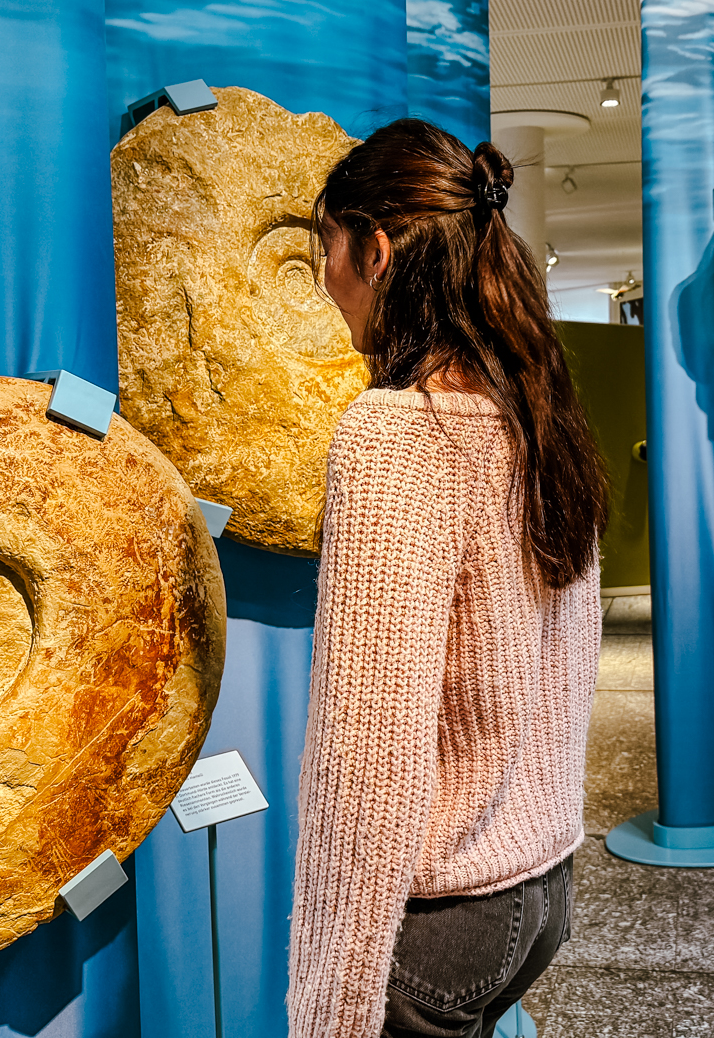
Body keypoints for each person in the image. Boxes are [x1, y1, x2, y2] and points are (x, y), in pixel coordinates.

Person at [287, 119, 609, 1038]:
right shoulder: (532, 408)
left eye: (329, 249)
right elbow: (569, 663)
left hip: (443, 917)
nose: (325, 278)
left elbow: (369, 757)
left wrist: (329, 1014)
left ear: (378, 251)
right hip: (539, 883)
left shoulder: (394, 435)